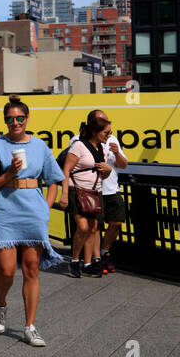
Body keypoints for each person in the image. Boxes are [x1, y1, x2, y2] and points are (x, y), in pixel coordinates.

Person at [0, 96, 66, 348]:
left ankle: (30, 326)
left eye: (19, 118)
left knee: (31, 269)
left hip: (33, 210)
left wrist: (46, 208)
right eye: (10, 119)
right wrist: (9, 174)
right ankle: (1, 304)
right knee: (6, 269)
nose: (15, 122)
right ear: (5, 120)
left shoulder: (40, 146)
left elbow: (53, 180)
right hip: (5, 209)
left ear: (27, 119)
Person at [62, 110, 113, 278]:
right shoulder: (78, 145)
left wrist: (108, 170)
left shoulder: (102, 149)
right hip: (76, 190)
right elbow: (66, 170)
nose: (109, 136)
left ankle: (88, 264)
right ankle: (75, 260)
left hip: (94, 191)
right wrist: (63, 194)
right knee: (83, 227)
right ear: (95, 132)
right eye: (106, 133)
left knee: (92, 228)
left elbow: (102, 173)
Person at [97, 123, 129, 273]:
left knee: (116, 222)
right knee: (95, 227)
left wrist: (116, 153)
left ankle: (104, 252)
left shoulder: (113, 140)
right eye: (106, 132)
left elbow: (124, 165)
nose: (109, 134)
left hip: (112, 189)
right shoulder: (80, 140)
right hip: (94, 190)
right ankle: (95, 258)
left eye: (110, 132)